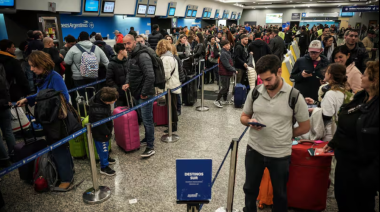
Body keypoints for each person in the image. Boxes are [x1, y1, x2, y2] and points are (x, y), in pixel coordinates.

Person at [241, 55, 310, 212]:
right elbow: (244, 117)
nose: (265, 84)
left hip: (280, 154)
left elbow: (305, 126)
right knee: (250, 189)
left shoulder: (294, 96)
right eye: (262, 79)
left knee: (280, 194)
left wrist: (286, 134)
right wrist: (249, 122)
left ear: (279, 72)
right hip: (254, 150)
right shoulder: (255, 92)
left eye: (268, 79)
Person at [323, 60, 379, 212]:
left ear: (375, 81)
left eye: (366, 75)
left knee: (361, 205)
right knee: (343, 201)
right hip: (345, 163)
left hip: (362, 167)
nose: (361, 77)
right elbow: (347, 124)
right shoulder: (361, 97)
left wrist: (370, 173)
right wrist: (335, 142)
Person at [16, 51, 75, 190]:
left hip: (56, 120)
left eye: (34, 66)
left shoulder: (55, 77)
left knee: (58, 148)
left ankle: (67, 179)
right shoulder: (43, 78)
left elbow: (64, 98)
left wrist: (44, 103)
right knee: (58, 147)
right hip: (48, 119)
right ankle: (68, 171)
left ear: (42, 64)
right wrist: (29, 99)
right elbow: (41, 94)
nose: (31, 69)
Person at [122, 35, 156, 158]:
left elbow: (150, 76)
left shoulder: (143, 55)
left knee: (147, 119)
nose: (126, 46)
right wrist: (127, 82)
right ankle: (147, 138)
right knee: (142, 117)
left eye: (128, 44)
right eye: (124, 44)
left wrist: (144, 93)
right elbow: (130, 72)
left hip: (144, 94)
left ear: (135, 42)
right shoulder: (132, 56)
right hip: (136, 92)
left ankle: (150, 146)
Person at [64, 31, 109, 98]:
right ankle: (93, 106)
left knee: (83, 97)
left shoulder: (73, 49)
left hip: (78, 77)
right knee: (93, 95)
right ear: (89, 38)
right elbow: (106, 62)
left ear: (79, 38)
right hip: (93, 75)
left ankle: (85, 107)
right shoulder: (97, 48)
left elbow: (67, 62)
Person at [89, 87, 118, 176]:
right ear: (106, 101)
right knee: (103, 149)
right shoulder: (98, 112)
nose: (115, 100)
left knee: (106, 147)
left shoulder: (100, 96)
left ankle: (106, 158)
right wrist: (107, 133)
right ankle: (104, 167)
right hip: (101, 133)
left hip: (105, 130)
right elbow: (101, 126)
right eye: (113, 100)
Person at [156, 40, 181, 133]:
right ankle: (172, 123)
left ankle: (173, 125)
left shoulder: (165, 59)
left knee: (172, 106)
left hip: (170, 86)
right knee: (172, 105)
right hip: (173, 84)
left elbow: (166, 75)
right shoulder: (171, 57)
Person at [214, 40, 237, 108]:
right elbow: (226, 64)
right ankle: (217, 100)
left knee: (226, 87)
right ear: (223, 46)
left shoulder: (227, 52)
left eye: (229, 44)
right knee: (224, 87)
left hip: (227, 72)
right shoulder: (224, 53)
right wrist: (234, 70)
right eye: (227, 45)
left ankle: (224, 100)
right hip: (224, 73)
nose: (229, 46)